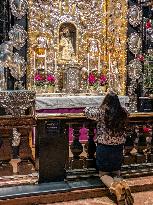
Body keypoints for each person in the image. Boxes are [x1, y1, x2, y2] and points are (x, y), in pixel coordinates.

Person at [84, 91, 134, 205]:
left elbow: (87, 111)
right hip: (118, 149)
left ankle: (117, 189)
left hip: (105, 148)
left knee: (104, 174)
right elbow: (129, 112)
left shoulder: (102, 112)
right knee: (116, 173)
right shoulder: (123, 112)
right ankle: (124, 186)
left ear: (106, 101)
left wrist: (92, 107)